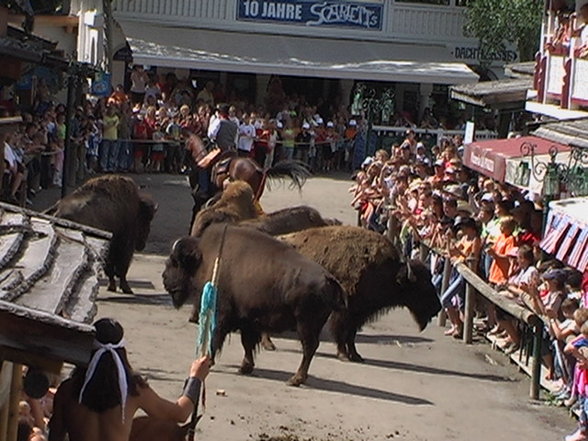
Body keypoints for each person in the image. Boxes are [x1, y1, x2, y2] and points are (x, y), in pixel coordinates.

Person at [49, 318, 211, 441]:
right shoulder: (133, 390)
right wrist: (195, 378)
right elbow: (180, 413)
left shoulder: (68, 390)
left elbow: (55, 437)